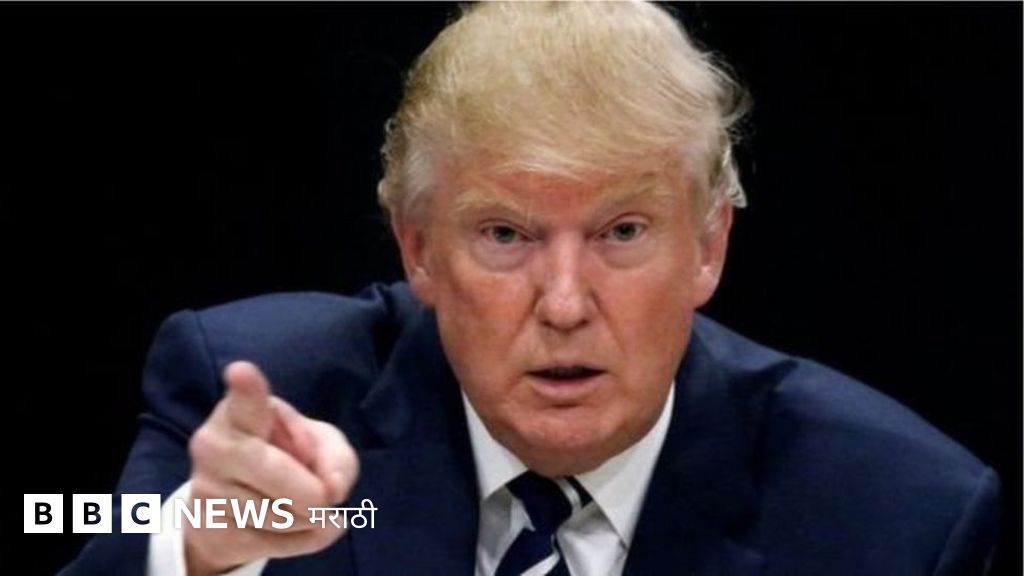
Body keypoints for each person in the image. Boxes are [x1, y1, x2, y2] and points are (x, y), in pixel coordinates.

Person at [61, 2, 1001, 575]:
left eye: (622, 233)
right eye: (505, 235)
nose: (563, 304)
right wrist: (197, 548)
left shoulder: (898, 515)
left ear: (708, 246)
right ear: (418, 250)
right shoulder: (263, 395)